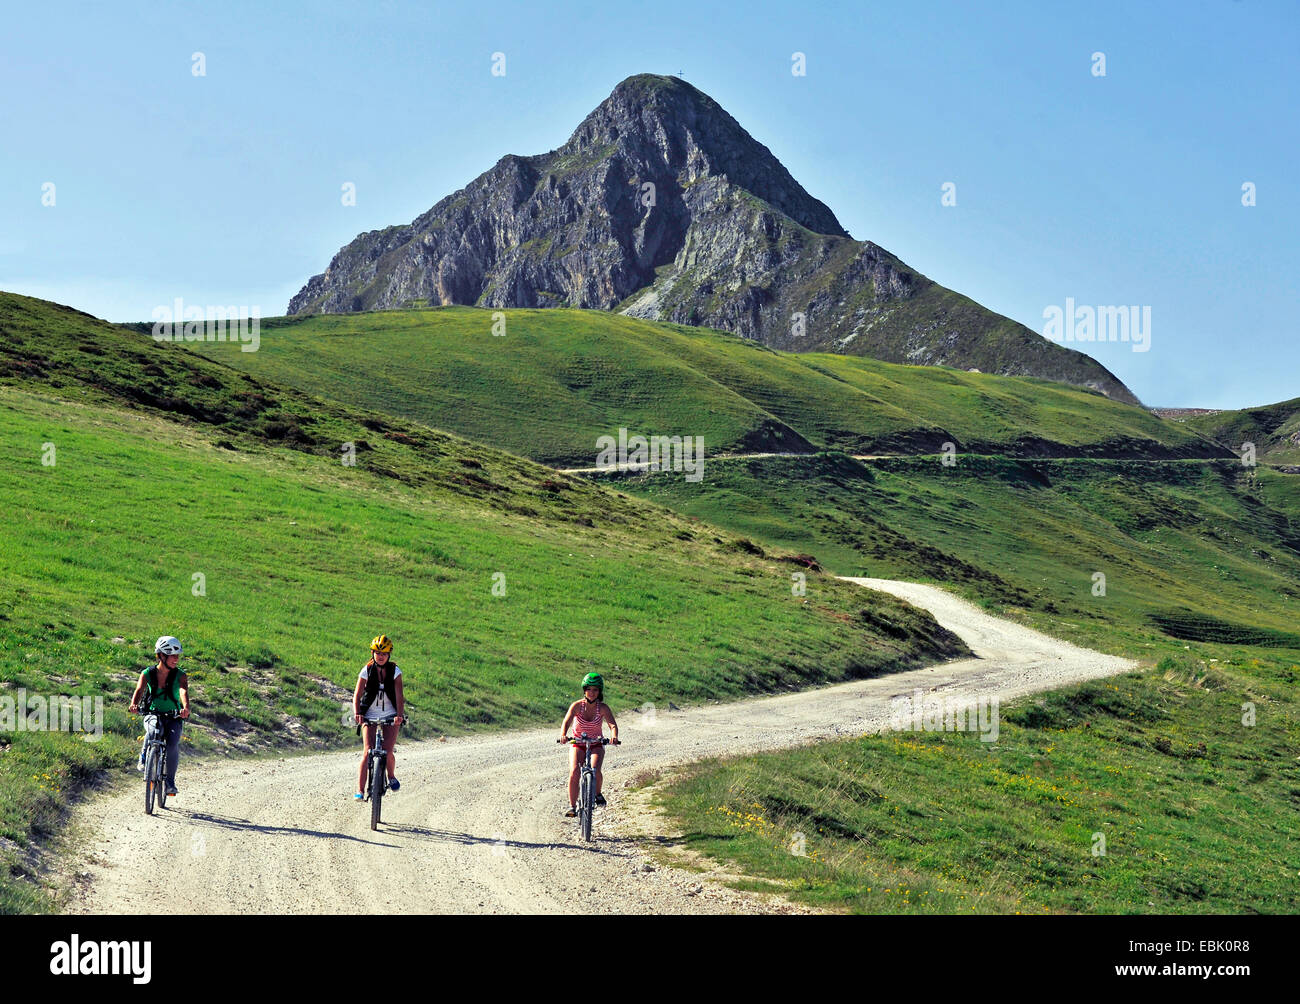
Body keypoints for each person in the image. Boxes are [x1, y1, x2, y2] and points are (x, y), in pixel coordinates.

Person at [128, 636, 191, 797]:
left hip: (174, 716)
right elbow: (139, 690)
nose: (176, 659)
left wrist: (185, 708)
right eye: (172, 655)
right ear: (161, 655)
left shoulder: (181, 675)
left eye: (178, 655)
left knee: (173, 743)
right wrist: (134, 704)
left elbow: (183, 691)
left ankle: (170, 783)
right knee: (153, 729)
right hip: (152, 712)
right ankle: (143, 757)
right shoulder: (147, 673)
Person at [558, 672, 619, 817]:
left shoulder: (603, 708)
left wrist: (614, 737)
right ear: (584, 689)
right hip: (578, 743)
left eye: (595, 690)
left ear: (600, 691)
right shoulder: (577, 706)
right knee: (574, 771)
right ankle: (572, 806)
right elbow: (566, 722)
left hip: (596, 744)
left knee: (595, 769)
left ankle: (597, 794)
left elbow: (612, 725)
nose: (592, 693)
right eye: (589, 689)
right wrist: (563, 735)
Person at [353, 634, 405, 800]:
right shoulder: (367, 670)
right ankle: (360, 791)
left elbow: (399, 696)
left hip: (391, 714)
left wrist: (399, 716)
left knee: (388, 750)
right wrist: (357, 713)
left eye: (384, 654)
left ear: (389, 655)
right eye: (377, 653)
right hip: (369, 713)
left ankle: (391, 776)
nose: (380, 656)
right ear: (373, 653)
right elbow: (357, 695)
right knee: (368, 752)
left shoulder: (395, 671)